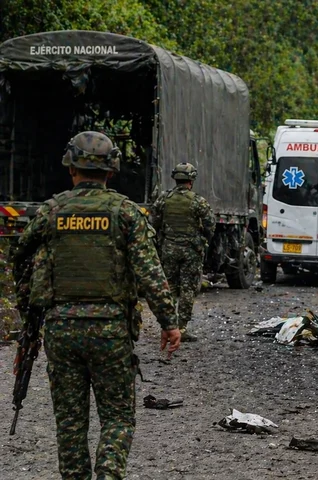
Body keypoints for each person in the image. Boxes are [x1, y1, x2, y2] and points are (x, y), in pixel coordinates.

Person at [13, 131, 180, 479]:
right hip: (111, 332)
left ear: (71, 169)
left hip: (60, 330)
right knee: (118, 417)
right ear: (112, 170)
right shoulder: (125, 213)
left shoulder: (51, 212)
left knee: (71, 424)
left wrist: (29, 328)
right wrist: (169, 322)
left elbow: (23, 262)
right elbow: (149, 272)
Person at [151, 162, 215, 342]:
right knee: (188, 289)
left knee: (169, 287)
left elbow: (153, 223)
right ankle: (182, 327)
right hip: (191, 251)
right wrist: (203, 238)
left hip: (169, 249)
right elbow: (210, 225)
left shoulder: (164, 199)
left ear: (175, 178)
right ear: (191, 180)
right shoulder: (197, 201)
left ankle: (167, 326)